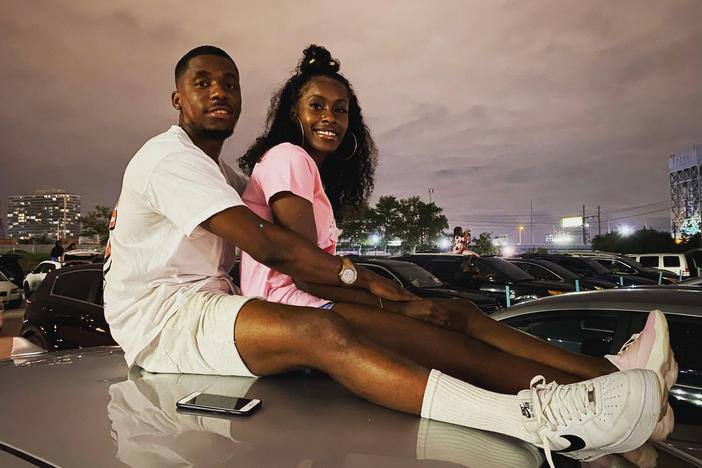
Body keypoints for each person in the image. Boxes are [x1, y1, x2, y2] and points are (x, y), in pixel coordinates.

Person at [104, 45, 666, 466]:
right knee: (333, 335)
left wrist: (377, 289)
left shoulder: (221, 174)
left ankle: (599, 384)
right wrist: (367, 282)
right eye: (203, 83)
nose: (219, 91)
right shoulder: (169, 158)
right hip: (163, 317)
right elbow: (277, 250)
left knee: (448, 324)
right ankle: (532, 418)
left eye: (230, 83)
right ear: (178, 98)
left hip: (199, 308)